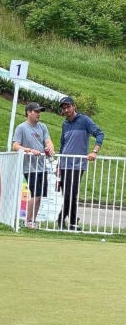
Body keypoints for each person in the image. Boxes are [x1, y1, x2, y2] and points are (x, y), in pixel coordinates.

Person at [57, 96, 104, 231]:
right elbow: (62, 144)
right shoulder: (65, 124)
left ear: (74, 106)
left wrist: (94, 151)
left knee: (71, 194)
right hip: (65, 164)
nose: (66, 110)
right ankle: (71, 223)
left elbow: (100, 134)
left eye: (68, 107)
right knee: (68, 194)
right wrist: (59, 164)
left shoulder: (84, 120)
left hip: (77, 165)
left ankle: (62, 220)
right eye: (64, 108)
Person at [12, 102, 55, 229]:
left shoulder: (43, 127)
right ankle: (27, 221)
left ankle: (33, 221)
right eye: (36, 111)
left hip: (42, 166)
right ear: (29, 112)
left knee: (39, 196)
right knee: (34, 195)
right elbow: (15, 146)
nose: (38, 114)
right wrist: (29, 150)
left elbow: (48, 141)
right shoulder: (21, 128)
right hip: (29, 167)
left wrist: (50, 148)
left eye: (39, 111)